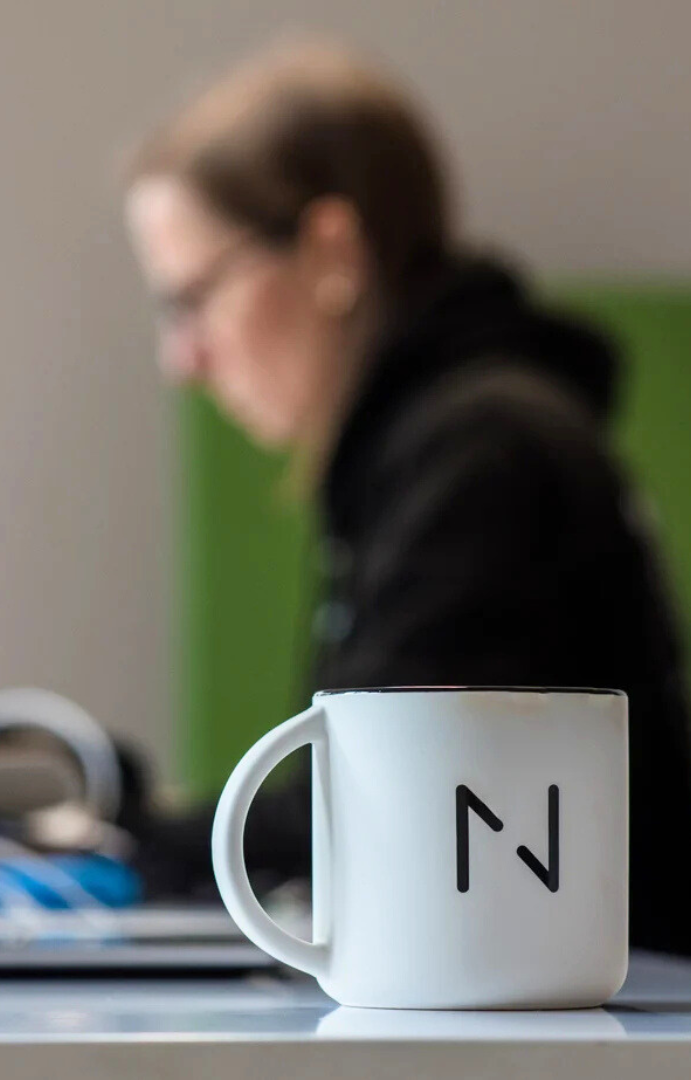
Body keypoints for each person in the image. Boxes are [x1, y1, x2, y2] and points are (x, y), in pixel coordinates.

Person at [123, 39, 691, 955]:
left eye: (193, 298)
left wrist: (115, 839)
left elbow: (369, 803)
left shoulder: (481, 451)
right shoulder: (433, 440)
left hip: (593, 1017)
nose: (180, 360)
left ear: (330, 251)